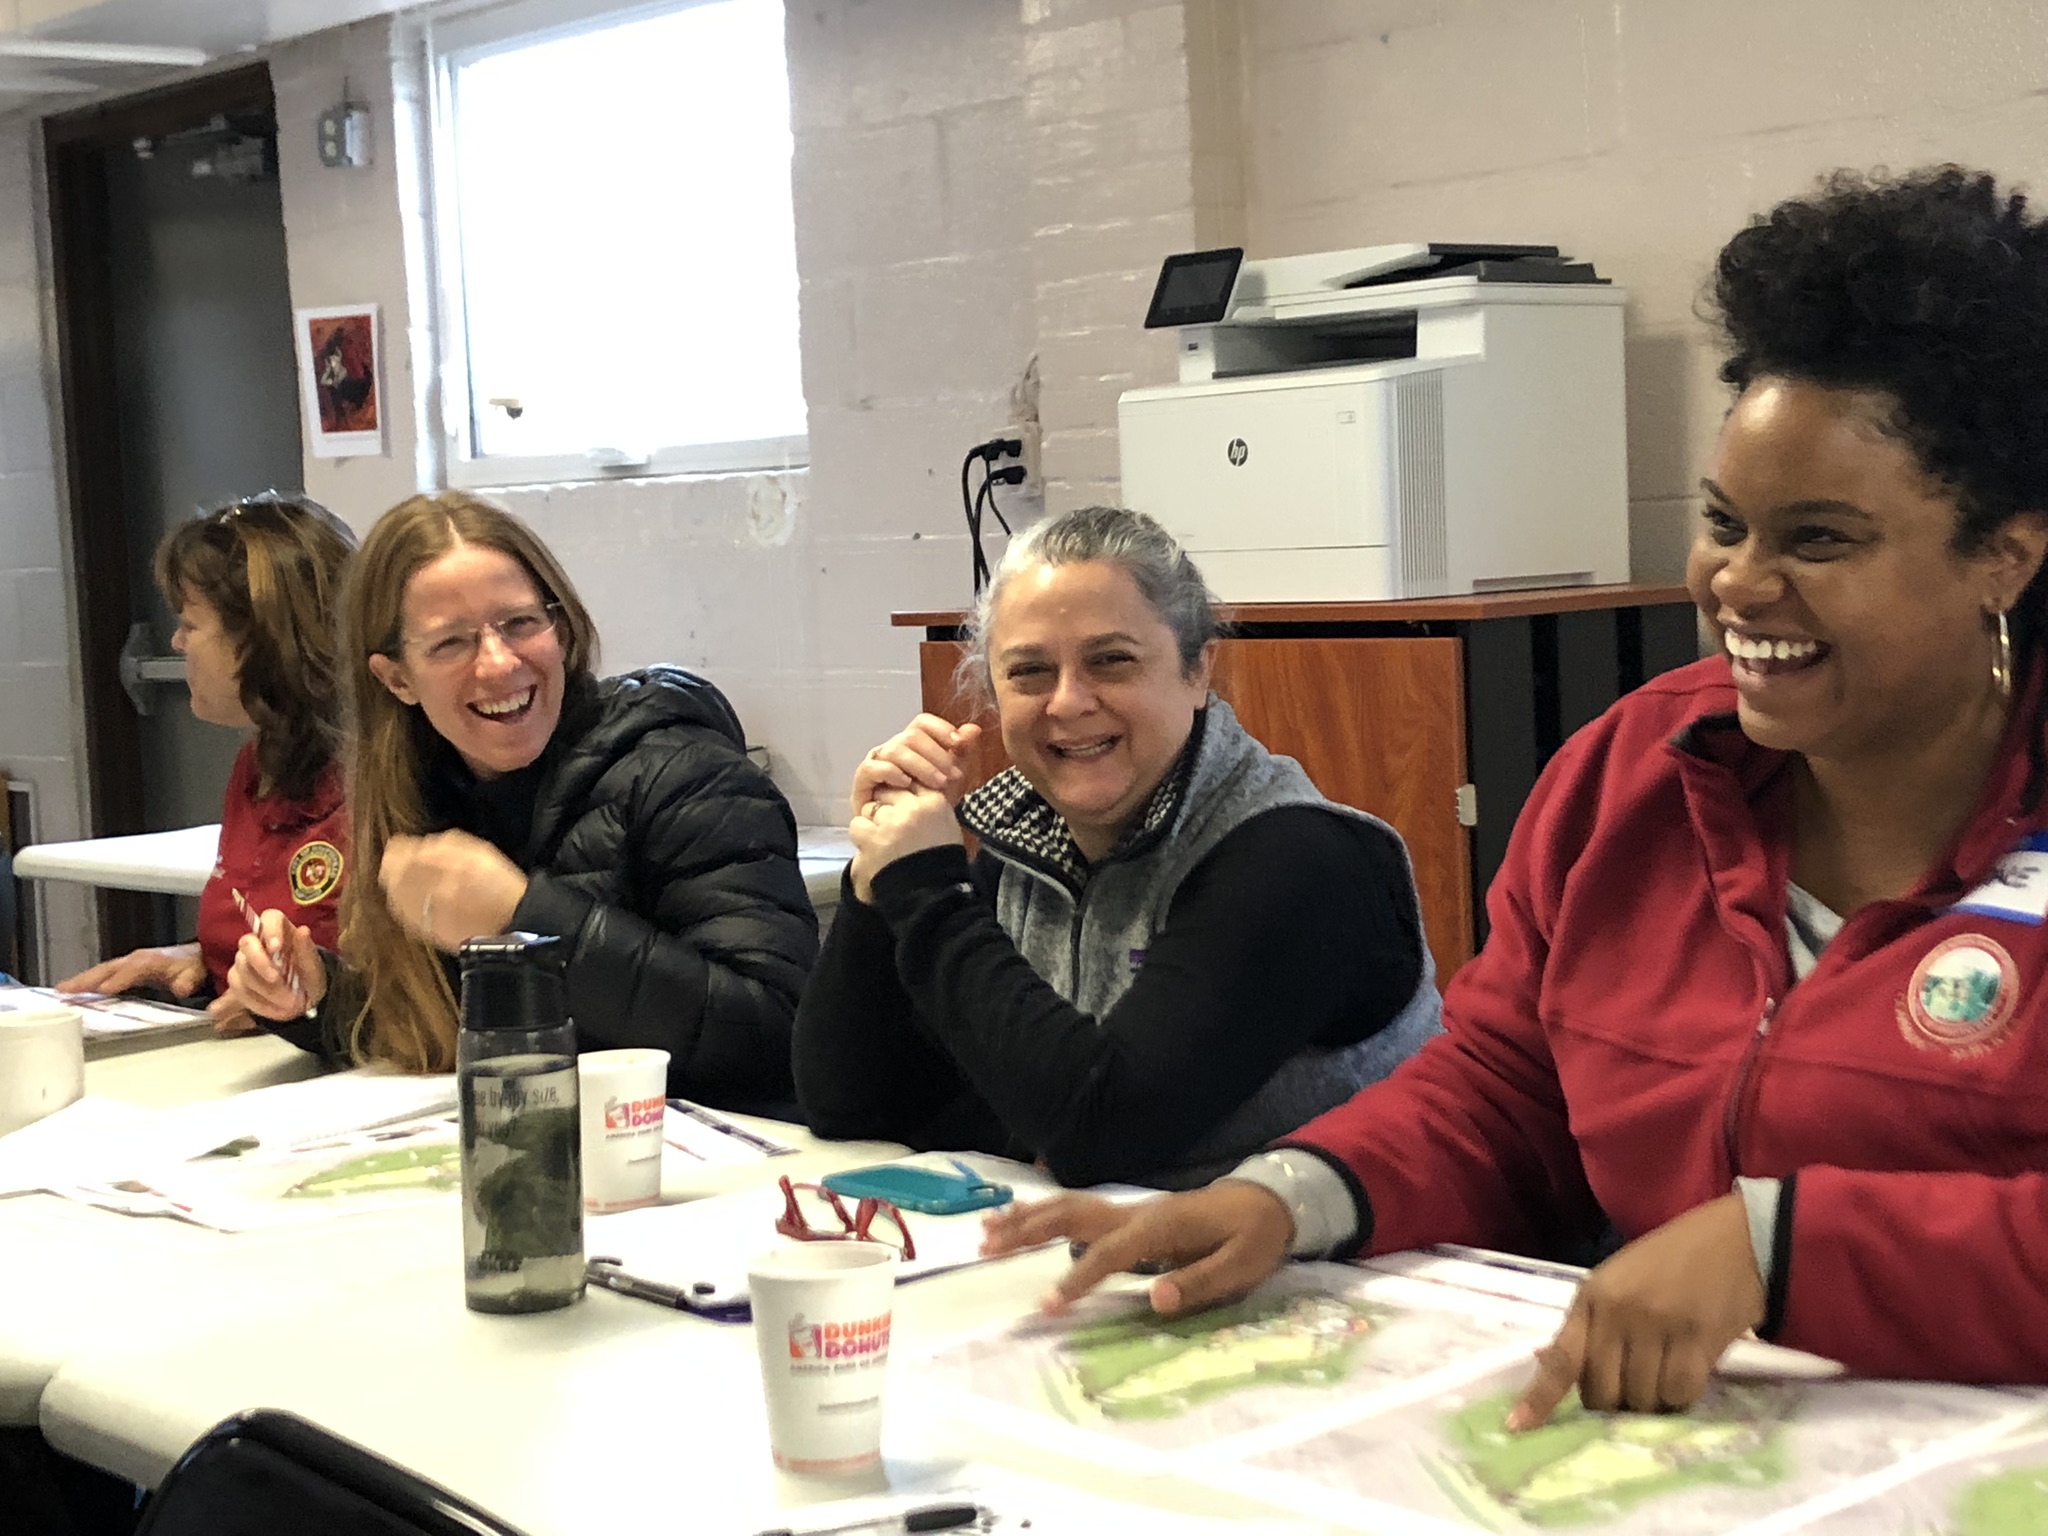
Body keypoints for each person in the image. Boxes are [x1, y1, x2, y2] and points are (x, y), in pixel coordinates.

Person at [982, 166, 2048, 1417]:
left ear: (2001, 558)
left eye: (1816, 540)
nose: (1736, 584)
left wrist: (1777, 1251)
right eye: (1721, 523)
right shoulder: (1630, 774)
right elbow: (1502, 1084)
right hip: (1708, 1440)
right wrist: (1288, 1195)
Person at [793, 504, 1441, 1188]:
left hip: (1353, 1274)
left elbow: (1104, 1131)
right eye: (1030, 672)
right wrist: (877, 880)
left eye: (1111, 661)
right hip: (1126, 1262)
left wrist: (928, 891)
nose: (1069, 702)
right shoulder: (1021, 844)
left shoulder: (1299, 859)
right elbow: (850, 1104)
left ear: (1198, 672)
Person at [227, 491, 816, 1109]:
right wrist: (315, 997)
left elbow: (778, 1038)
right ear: (397, 678)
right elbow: (441, 1024)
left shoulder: (685, 775)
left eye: (519, 624)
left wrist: (525, 919)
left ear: (558, 630)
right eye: (450, 643)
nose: (499, 663)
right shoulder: (425, 794)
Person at [58, 493, 355, 1036]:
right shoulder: (258, 763)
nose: (175, 641)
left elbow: (399, 976)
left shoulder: (374, 779)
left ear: (261, 640)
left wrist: (299, 1005)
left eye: (189, 624)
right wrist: (198, 959)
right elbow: (260, 924)